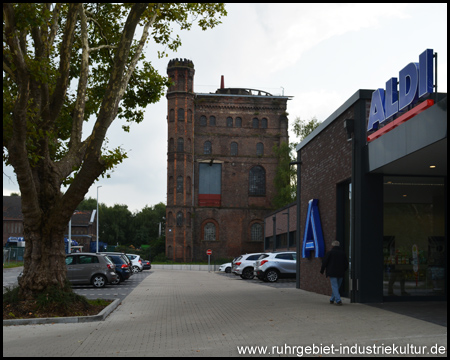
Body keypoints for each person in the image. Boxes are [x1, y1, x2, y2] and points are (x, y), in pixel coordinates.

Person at [320, 240, 349, 306]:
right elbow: (346, 264)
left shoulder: (329, 253)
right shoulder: (343, 253)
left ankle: (337, 300)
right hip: (341, 273)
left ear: (332, 246)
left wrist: (322, 270)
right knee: (337, 286)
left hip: (332, 272)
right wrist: (344, 270)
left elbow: (324, 262)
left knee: (335, 286)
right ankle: (332, 299)